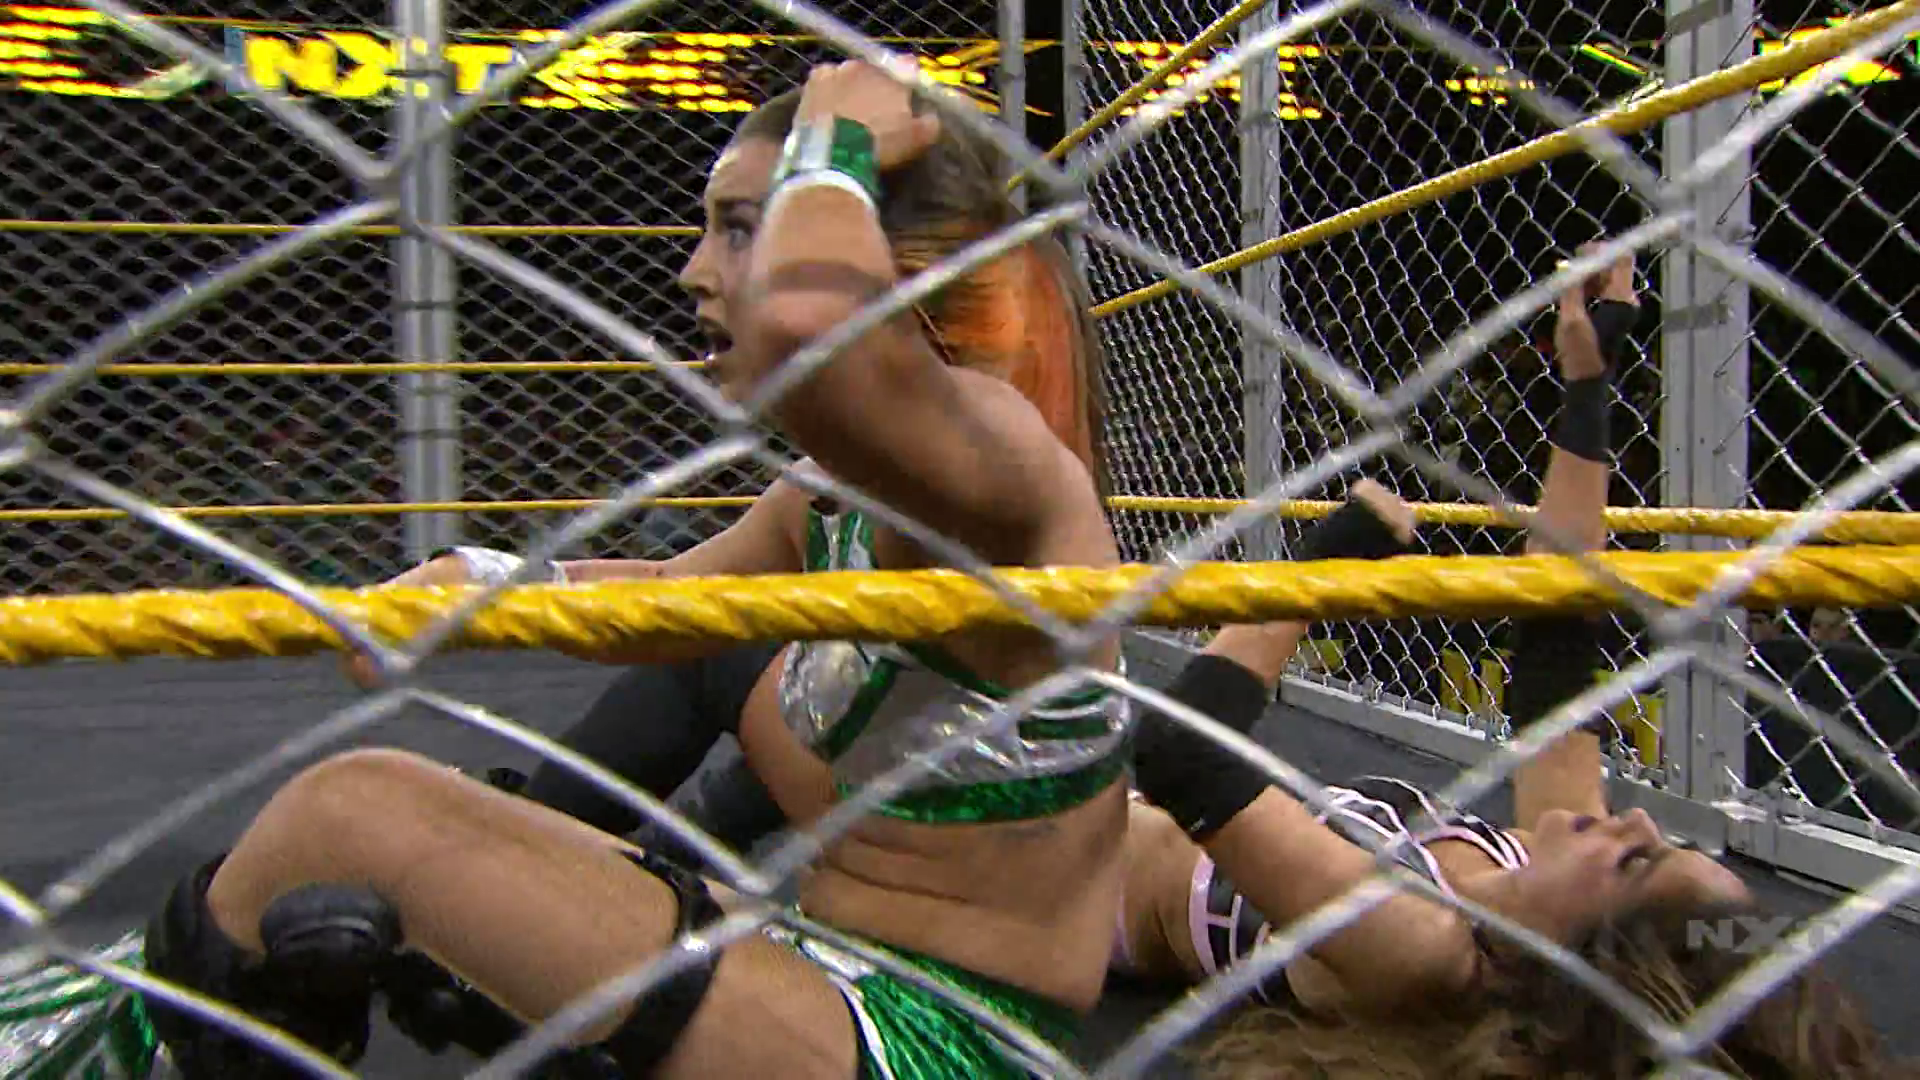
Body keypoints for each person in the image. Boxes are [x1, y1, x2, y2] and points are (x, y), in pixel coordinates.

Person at [502, 245, 1908, 1077]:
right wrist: (1591, 387)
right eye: (1668, 843)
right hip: (1066, 786)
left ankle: (544, 859)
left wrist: (1320, 570)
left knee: (759, 647)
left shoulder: (1424, 951)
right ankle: (636, 873)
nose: (1638, 823)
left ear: (1572, 971)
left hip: (1036, 858)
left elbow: (1191, 751)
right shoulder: (1524, 869)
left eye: (1642, 868)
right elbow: (1561, 635)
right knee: (829, 650)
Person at [139, 62, 1131, 1080]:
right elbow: (672, 603)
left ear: (888, 261)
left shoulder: (1004, 462)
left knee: (358, 811)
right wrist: (489, 581)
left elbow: (809, 331)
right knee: (449, 840)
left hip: (946, 1046)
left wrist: (834, 139)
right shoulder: (833, 495)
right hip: (834, 965)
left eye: (743, 228)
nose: (694, 271)